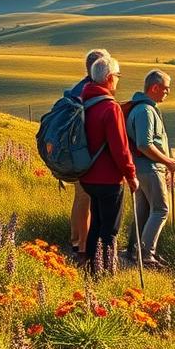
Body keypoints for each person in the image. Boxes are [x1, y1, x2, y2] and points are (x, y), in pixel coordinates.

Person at [79, 55, 138, 269]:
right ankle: (104, 270)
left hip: (87, 176)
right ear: (110, 77)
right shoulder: (110, 108)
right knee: (110, 229)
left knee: (96, 223)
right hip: (108, 179)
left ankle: (92, 269)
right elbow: (120, 148)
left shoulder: (85, 101)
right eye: (118, 76)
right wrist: (131, 175)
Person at [125, 69, 175, 267]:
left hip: (142, 167)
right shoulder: (146, 111)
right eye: (166, 88)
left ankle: (133, 251)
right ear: (154, 87)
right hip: (149, 168)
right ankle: (146, 255)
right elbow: (144, 144)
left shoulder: (141, 108)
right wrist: (167, 161)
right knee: (161, 209)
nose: (168, 92)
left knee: (144, 210)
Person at [69, 48, 110, 258]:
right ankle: (83, 247)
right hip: (86, 156)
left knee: (80, 198)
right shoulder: (89, 90)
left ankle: (76, 240)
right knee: (86, 199)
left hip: (74, 156)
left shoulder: (75, 89)